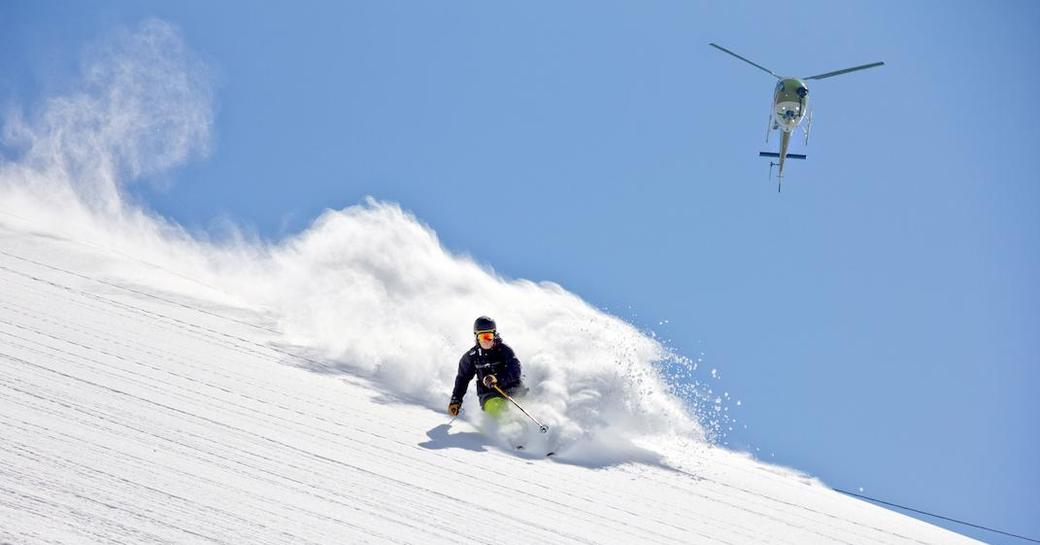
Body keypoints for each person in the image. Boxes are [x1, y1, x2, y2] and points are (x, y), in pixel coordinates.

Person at [448, 316, 525, 419]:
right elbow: (463, 378)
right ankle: (511, 430)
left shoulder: (504, 350)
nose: (486, 341)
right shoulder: (472, 357)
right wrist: (456, 400)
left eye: (488, 336)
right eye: (482, 337)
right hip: (489, 395)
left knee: (525, 408)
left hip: (513, 389)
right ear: (476, 337)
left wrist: (498, 378)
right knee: (502, 412)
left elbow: (516, 369)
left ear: (494, 335)